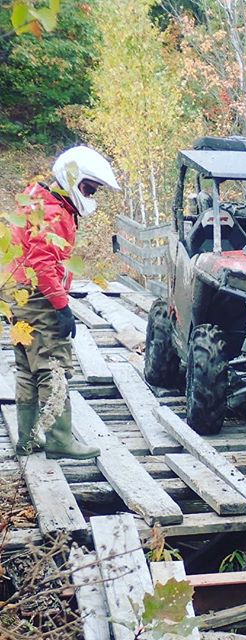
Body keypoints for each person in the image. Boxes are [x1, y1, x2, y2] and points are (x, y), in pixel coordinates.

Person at [9, 145, 120, 459]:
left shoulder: (36, 196)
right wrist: (61, 306)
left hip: (18, 293)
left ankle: (28, 438)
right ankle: (59, 439)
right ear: (73, 178)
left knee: (27, 366)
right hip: (39, 296)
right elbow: (43, 263)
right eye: (89, 187)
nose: (90, 194)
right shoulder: (53, 211)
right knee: (54, 364)